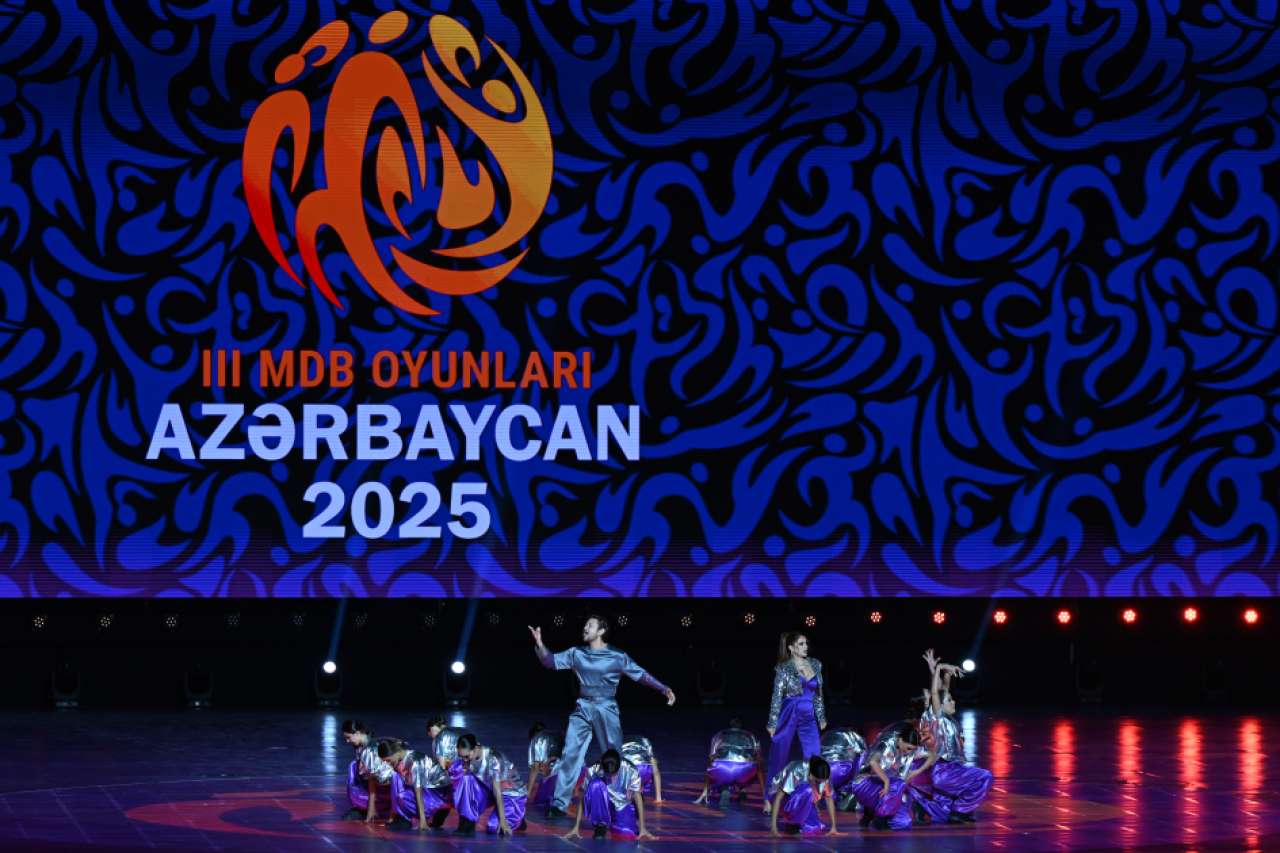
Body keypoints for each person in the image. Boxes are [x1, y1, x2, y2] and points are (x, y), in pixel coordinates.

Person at [528, 616, 676, 819]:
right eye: (585, 624)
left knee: (612, 755)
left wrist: (663, 688)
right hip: (583, 706)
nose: (585, 627)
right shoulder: (576, 653)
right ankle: (559, 804)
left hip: (606, 707)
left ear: (601, 631)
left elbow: (640, 674)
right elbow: (550, 662)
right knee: (570, 754)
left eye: (590, 625)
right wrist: (540, 644)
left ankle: (617, 801)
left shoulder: (617, 656)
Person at [915, 650, 993, 823]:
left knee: (942, 813)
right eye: (950, 701)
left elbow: (943, 690)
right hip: (944, 771)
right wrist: (939, 668)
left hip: (952, 769)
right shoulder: (937, 718)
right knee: (984, 776)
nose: (954, 701)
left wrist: (945, 673)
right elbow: (937, 694)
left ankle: (929, 806)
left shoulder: (947, 719)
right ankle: (960, 810)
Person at [766, 632, 827, 792]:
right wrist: (772, 723)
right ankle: (771, 793)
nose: (806, 647)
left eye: (806, 643)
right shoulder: (783, 668)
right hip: (790, 711)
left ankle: (811, 793)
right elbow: (776, 696)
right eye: (801, 644)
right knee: (780, 754)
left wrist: (821, 716)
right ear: (791, 648)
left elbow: (818, 694)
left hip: (809, 713)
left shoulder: (815, 664)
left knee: (814, 754)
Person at [850, 721, 936, 830]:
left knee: (904, 822)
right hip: (864, 784)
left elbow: (932, 755)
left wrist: (917, 771)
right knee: (900, 783)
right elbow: (873, 762)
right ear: (900, 740)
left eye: (912, 749)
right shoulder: (886, 744)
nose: (909, 752)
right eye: (908, 748)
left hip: (886, 789)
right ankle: (880, 817)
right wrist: (886, 781)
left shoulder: (912, 751)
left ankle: (872, 813)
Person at [564, 748, 657, 841]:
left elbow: (638, 797)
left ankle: (619, 819)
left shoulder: (630, 769)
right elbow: (583, 798)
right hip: (604, 802)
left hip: (622, 803)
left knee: (627, 833)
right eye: (608, 775)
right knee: (595, 785)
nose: (612, 779)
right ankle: (601, 825)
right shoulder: (593, 770)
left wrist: (642, 827)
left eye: (614, 774)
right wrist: (576, 827)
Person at [451, 732, 528, 836]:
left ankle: (518, 821)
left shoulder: (494, 759)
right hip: (490, 789)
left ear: (476, 748)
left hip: (511, 794)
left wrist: (503, 821)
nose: (464, 760)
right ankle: (467, 823)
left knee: (494, 827)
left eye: (466, 756)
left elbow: (497, 791)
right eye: (461, 757)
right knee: (467, 780)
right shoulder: (469, 758)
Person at [692, 717, 767, 811]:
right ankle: (755, 794)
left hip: (723, 770)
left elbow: (711, 758)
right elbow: (758, 758)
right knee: (758, 766)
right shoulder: (750, 737)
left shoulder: (720, 736)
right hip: (744, 772)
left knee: (714, 766)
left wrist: (705, 790)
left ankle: (722, 788)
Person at [377, 738, 452, 832]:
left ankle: (438, 810)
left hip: (439, 794)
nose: (387, 763)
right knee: (396, 778)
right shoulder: (403, 759)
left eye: (388, 760)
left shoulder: (414, 761)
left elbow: (418, 791)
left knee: (402, 797)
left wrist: (422, 821)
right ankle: (401, 817)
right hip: (429, 791)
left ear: (396, 753)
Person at [769, 755, 839, 836]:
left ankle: (798, 822)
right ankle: (793, 823)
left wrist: (833, 827)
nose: (820, 784)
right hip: (781, 799)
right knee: (808, 790)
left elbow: (829, 798)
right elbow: (778, 798)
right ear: (811, 774)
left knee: (814, 827)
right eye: (817, 781)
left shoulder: (824, 774)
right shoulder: (796, 770)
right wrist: (773, 828)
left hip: (801, 797)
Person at [340, 719, 394, 822]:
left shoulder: (370, 750)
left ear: (357, 733)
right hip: (375, 782)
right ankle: (364, 808)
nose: (347, 741)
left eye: (348, 737)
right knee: (353, 766)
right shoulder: (361, 746)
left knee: (355, 771)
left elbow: (372, 778)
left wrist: (371, 807)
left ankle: (378, 808)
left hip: (385, 785)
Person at [819, 726, 867, 808]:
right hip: (838, 770)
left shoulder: (828, 734)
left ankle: (834, 796)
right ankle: (849, 791)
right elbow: (865, 757)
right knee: (863, 757)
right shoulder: (855, 736)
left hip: (820, 771)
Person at [527, 722, 565, 812]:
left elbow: (535, 768)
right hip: (568, 774)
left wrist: (528, 794)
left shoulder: (537, 740)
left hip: (557, 774)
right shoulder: (556, 737)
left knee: (541, 798)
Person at [620, 736, 663, 802]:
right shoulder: (645, 741)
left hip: (631, 771)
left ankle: (629, 796)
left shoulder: (618, 742)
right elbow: (655, 770)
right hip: (644, 769)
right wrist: (658, 798)